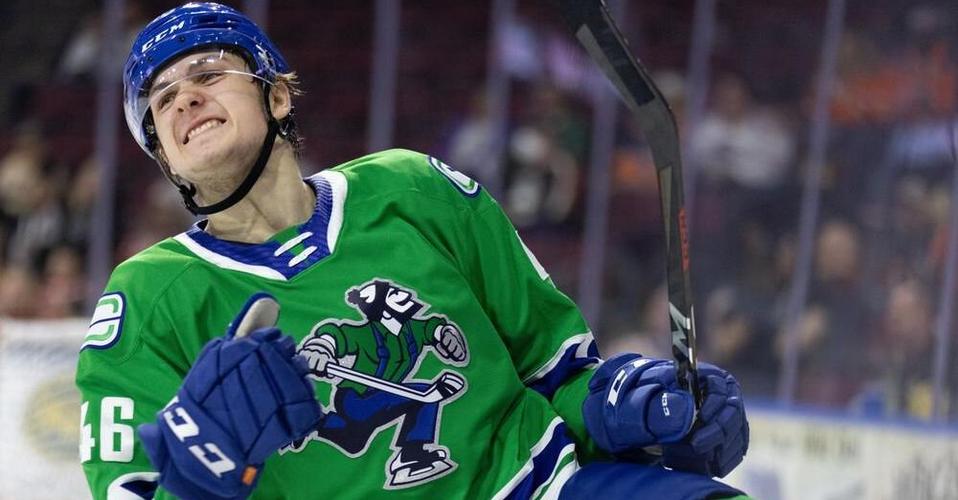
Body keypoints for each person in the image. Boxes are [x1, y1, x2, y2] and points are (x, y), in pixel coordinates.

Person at [75, 3, 751, 499]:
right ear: (166, 158)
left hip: (538, 486)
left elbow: (555, 373)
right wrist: (199, 479)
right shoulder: (146, 299)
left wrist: (624, 406)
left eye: (208, 72)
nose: (185, 99)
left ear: (277, 95)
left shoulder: (414, 189)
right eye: (161, 101)